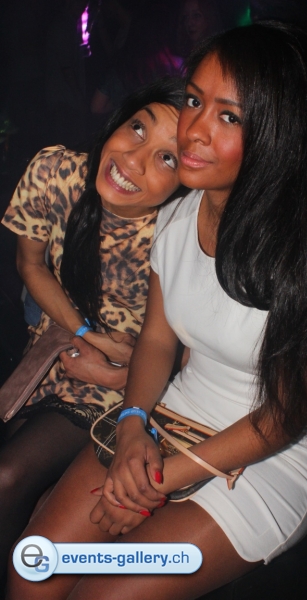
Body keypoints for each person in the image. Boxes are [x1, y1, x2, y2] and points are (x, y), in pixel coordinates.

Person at [7, 22, 307, 600]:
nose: (194, 129)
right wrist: (132, 424)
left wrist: (153, 482)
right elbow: (156, 341)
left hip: (267, 462)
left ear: (279, 133)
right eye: (196, 101)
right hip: (168, 417)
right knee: (34, 571)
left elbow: (286, 414)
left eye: (230, 117)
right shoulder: (178, 216)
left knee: (99, 594)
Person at [0, 77, 184, 574]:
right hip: (55, 356)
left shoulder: (178, 233)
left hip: (130, 392)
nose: (134, 160)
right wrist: (85, 337)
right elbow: (30, 265)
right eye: (138, 128)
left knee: (9, 477)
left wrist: (116, 372)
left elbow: (184, 355)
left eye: (167, 158)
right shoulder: (55, 172)